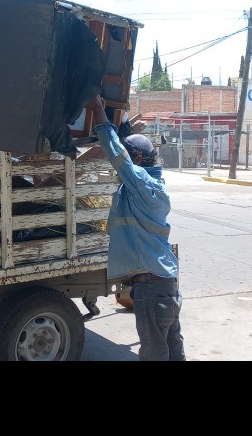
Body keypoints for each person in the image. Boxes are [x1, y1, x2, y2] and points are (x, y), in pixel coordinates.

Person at [88, 94, 185, 361]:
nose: (122, 168)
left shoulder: (140, 182)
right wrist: (122, 118)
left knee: (153, 355)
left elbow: (117, 154)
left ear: (138, 159)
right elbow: (124, 149)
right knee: (174, 353)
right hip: (166, 286)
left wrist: (97, 110)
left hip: (151, 290)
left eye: (131, 160)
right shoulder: (151, 185)